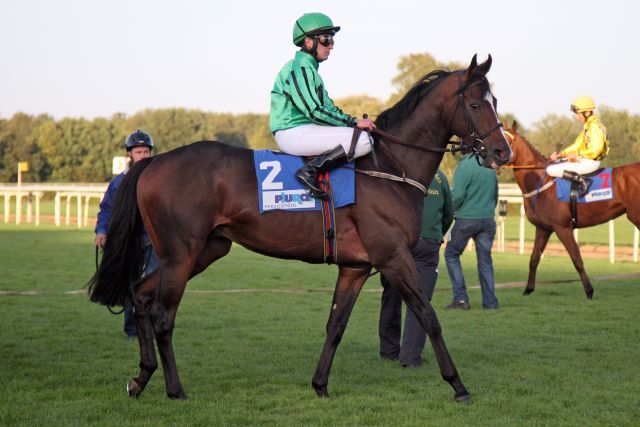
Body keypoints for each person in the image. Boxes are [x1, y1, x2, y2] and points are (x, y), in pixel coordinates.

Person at [270, 12, 375, 199]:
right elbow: (314, 111)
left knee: (363, 135)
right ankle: (310, 171)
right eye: (326, 39)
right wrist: (353, 122)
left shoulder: (310, 70)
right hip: (292, 131)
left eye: (332, 40)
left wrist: (355, 124)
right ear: (308, 42)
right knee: (363, 141)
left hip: (302, 129)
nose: (331, 46)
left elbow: (330, 109)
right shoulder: (300, 68)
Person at [378, 170, 453, 367]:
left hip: (398, 242)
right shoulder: (440, 177)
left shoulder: (396, 170)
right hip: (427, 243)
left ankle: (389, 351)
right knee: (419, 302)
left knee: (391, 298)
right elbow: (448, 214)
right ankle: (410, 358)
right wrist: (435, 236)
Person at [95, 130, 159, 337]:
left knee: (155, 284)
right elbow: (106, 209)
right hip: (129, 242)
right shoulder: (118, 182)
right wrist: (102, 230)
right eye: (139, 152)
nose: (143, 155)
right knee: (131, 286)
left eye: (146, 152)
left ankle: (156, 326)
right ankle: (132, 329)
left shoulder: (161, 180)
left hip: (153, 241)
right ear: (130, 154)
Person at [444, 153, 499, 310]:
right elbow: (495, 195)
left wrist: (448, 213)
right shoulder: (490, 165)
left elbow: (458, 196)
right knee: (485, 261)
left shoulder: (465, 166)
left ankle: (461, 299)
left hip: (466, 219)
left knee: (451, 254)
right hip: (488, 219)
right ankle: (490, 303)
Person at [547, 96, 610, 196]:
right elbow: (577, 145)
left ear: (587, 113)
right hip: (586, 159)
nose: (577, 117)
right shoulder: (588, 125)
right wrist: (561, 154)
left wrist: (576, 155)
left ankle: (584, 181)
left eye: (578, 114)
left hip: (591, 162)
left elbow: (596, 149)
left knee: (550, 170)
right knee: (554, 164)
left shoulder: (594, 126)